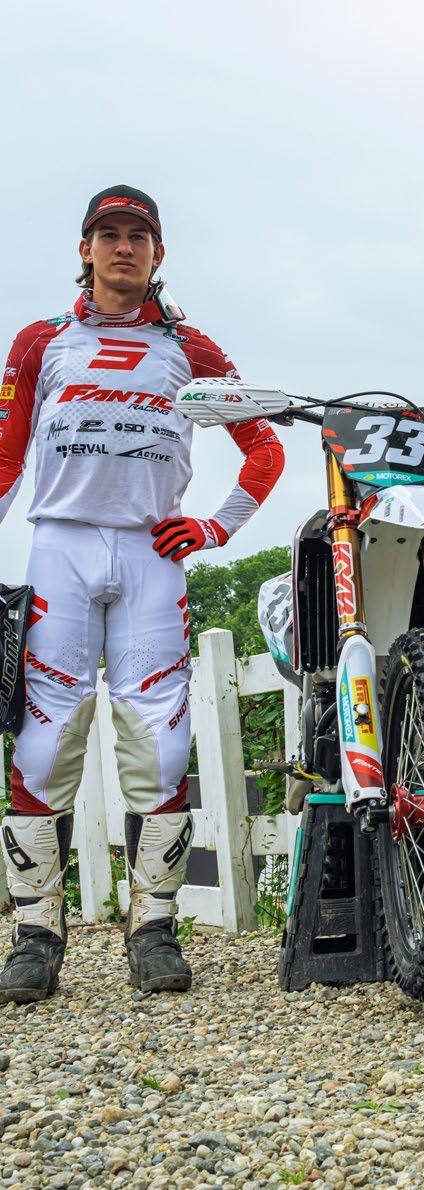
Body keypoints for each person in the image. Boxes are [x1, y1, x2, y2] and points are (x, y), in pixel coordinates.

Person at [0, 186, 284, 1002]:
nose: (123, 247)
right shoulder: (39, 341)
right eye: (108, 234)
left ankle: (153, 931)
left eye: (138, 236)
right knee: (42, 744)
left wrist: (216, 527)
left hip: (153, 555)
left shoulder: (190, 347)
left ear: (158, 254)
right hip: (59, 545)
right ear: (84, 249)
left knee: (160, 746)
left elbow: (263, 446)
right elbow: (7, 456)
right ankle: (35, 941)